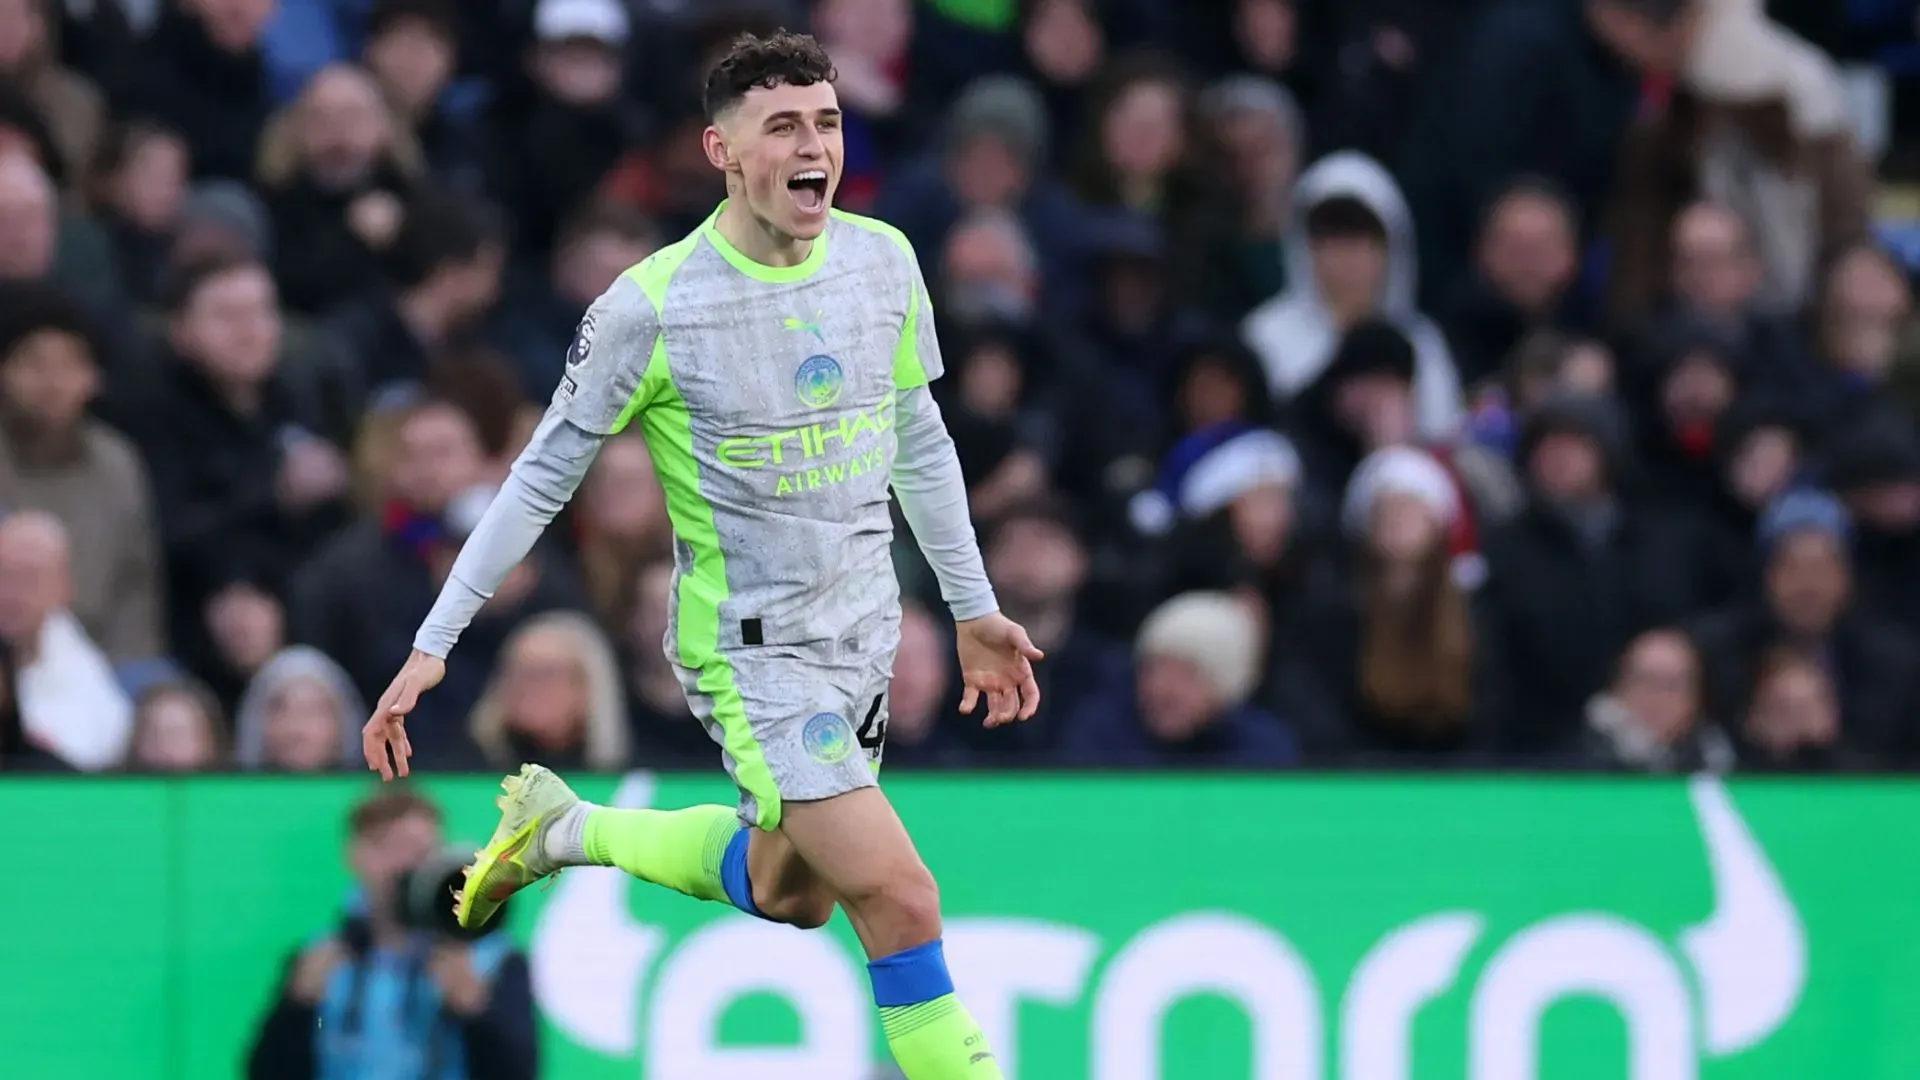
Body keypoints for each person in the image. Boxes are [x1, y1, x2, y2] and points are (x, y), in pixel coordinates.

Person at [361, 31, 1039, 1080]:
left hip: (860, 634)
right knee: (902, 899)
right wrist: (435, 639)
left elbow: (919, 440)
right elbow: (542, 474)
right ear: (721, 150)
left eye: (826, 121)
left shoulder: (884, 260)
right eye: (783, 126)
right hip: (755, 653)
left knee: (791, 894)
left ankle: (566, 830)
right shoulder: (654, 304)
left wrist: (972, 606)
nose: (813, 144)